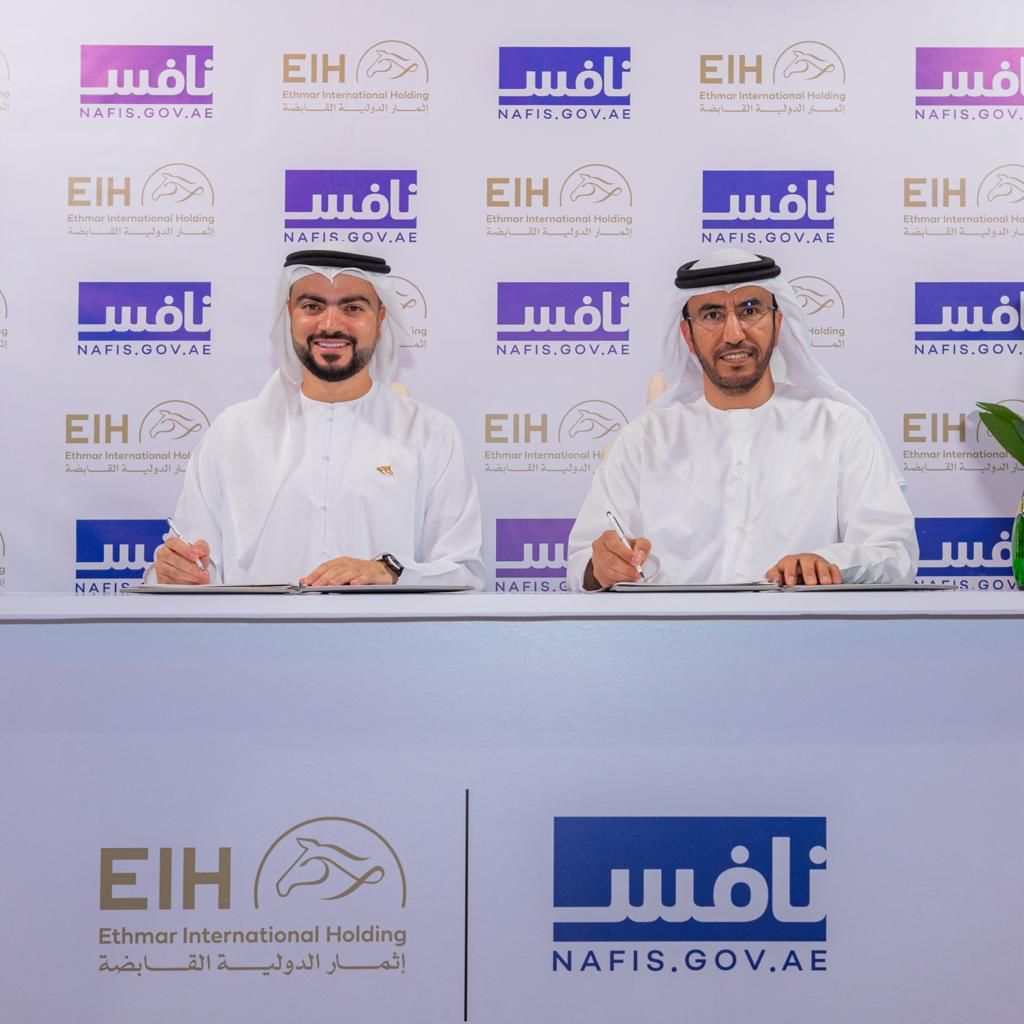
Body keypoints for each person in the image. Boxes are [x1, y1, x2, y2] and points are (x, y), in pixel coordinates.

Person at [567, 248, 918, 590]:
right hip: (672, 628)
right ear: (688, 335)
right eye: (712, 315)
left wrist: (829, 562)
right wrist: (602, 566)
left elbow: (893, 553)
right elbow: (582, 563)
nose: (734, 334)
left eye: (750, 311)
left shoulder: (839, 427)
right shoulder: (645, 439)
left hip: (799, 627)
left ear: (777, 324)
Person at [152, 249, 484, 588]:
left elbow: (465, 574)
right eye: (312, 307)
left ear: (380, 320)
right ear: (290, 315)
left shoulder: (429, 433)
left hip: (385, 626)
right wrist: (175, 571)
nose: (330, 325)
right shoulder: (232, 432)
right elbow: (193, 566)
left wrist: (394, 571)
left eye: (352, 308)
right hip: (257, 626)